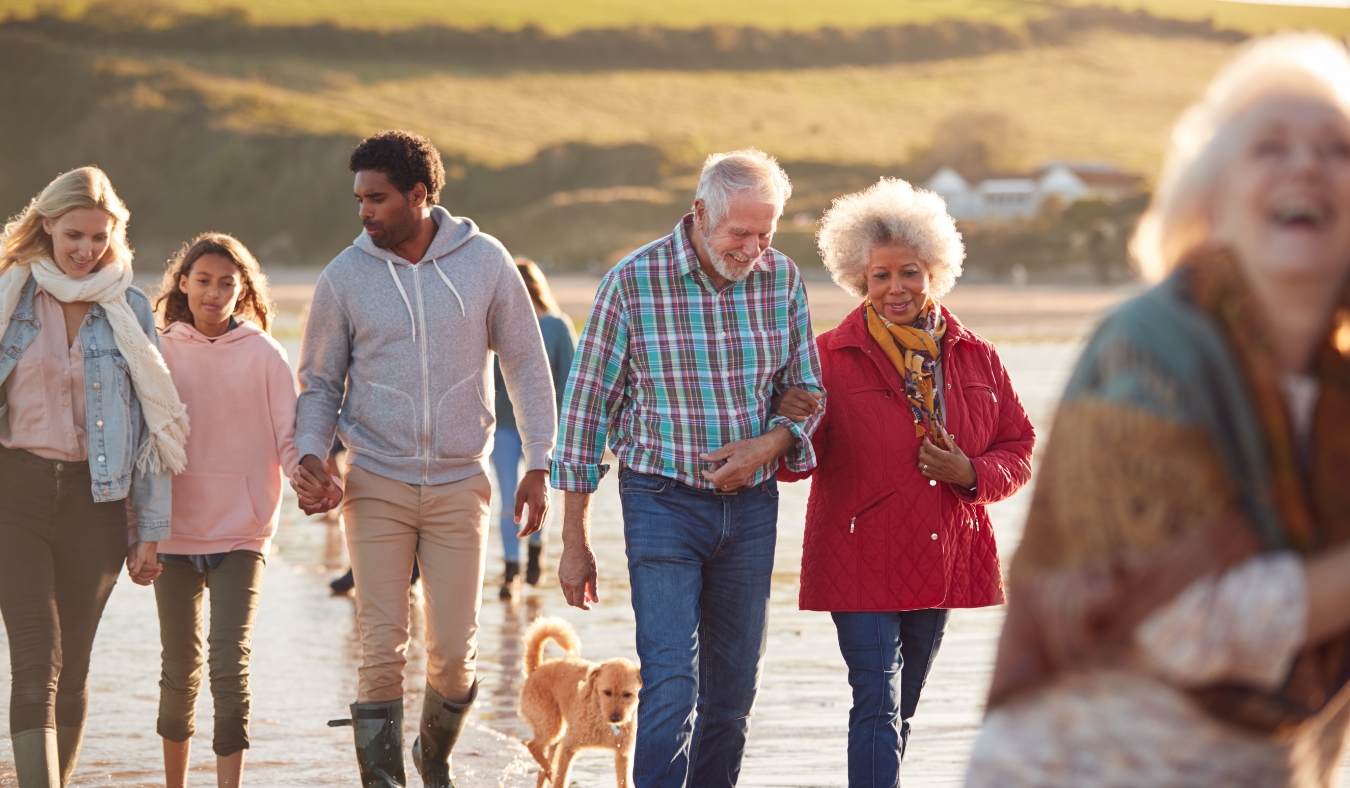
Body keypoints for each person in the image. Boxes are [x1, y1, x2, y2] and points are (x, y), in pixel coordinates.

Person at [966, 33, 1350, 787]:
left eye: (1336, 148)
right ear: (1209, 201)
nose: (1305, 163)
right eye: (1269, 146)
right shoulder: (1143, 351)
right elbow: (1188, 626)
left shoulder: (1336, 387)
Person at [293, 130, 558, 788]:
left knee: (451, 657)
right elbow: (320, 384)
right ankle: (382, 782)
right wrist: (309, 453)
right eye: (358, 198)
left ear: (420, 195)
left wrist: (539, 461)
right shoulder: (344, 277)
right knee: (381, 648)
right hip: (375, 480)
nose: (363, 211)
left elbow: (526, 365)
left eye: (376, 199)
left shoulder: (486, 262)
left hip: (459, 483)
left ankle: (432, 757)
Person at [553, 149, 825, 788]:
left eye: (766, 233)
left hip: (753, 511)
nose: (754, 248)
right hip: (660, 503)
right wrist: (575, 542)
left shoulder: (782, 280)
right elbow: (585, 417)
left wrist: (768, 445)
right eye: (740, 234)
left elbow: (809, 391)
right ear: (701, 213)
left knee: (731, 696)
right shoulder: (632, 282)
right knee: (671, 683)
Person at [772, 177, 1034, 786]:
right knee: (876, 704)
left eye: (909, 273)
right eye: (880, 276)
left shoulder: (978, 356)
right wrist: (785, 420)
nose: (896, 289)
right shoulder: (827, 358)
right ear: (858, 279)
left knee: (902, 708)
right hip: (858, 554)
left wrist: (970, 472)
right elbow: (791, 464)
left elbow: (1018, 447)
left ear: (935, 271)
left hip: (942, 554)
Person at [0, 167, 186, 787]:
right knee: (35, 658)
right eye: (73, 235)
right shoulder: (9, 292)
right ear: (47, 224)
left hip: (96, 504)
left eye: (99, 239)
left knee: (73, 666)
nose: (86, 251)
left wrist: (150, 530)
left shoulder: (128, 307)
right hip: (15, 495)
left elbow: (154, 430)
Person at [152, 233, 328, 788]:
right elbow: (141, 444)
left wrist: (310, 478)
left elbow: (287, 439)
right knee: (179, 673)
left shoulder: (265, 355)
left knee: (230, 666)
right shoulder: (157, 351)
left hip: (242, 532)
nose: (213, 292)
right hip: (174, 531)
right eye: (202, 280)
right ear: (183, 284)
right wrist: (138, 527)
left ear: (242, 289)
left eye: (227, 283)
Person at [491, 258, 576, 599]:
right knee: (510, 498)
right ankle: (511, 569)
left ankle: (535, 556)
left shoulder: (557, 326)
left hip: (544, 430)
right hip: (504, 427)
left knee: (540, 495)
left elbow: (569, 380)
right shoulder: (500, 327)